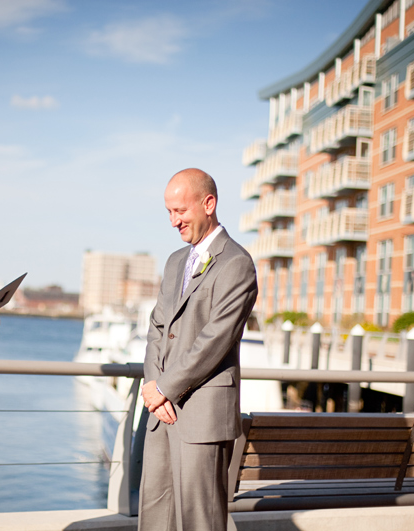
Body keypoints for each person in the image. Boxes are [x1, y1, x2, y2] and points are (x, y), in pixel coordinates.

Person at [139, 168, 258, 531]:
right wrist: (153, 387)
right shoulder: (175, 262)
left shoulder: (237, 264)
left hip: (203, 416)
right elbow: (158, 326)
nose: (174, 221)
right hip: (162, 409)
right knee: (156, 515)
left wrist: (163, 388)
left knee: (199, 523)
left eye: (181, 211)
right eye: (169, 212)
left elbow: (215, 340)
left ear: (209, 204)